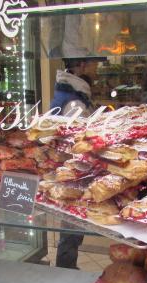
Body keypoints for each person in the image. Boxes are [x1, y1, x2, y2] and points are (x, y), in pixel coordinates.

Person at [51, 57, 99, 269]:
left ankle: (67, 265)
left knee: (72, 226)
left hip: (70, 171)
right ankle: (66, 267)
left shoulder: (71, 92)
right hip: (73, 173)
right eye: (93, 63)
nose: (97, 68)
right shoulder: (75, 102)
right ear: (82, 66)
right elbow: (78, 142)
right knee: (71, 226)